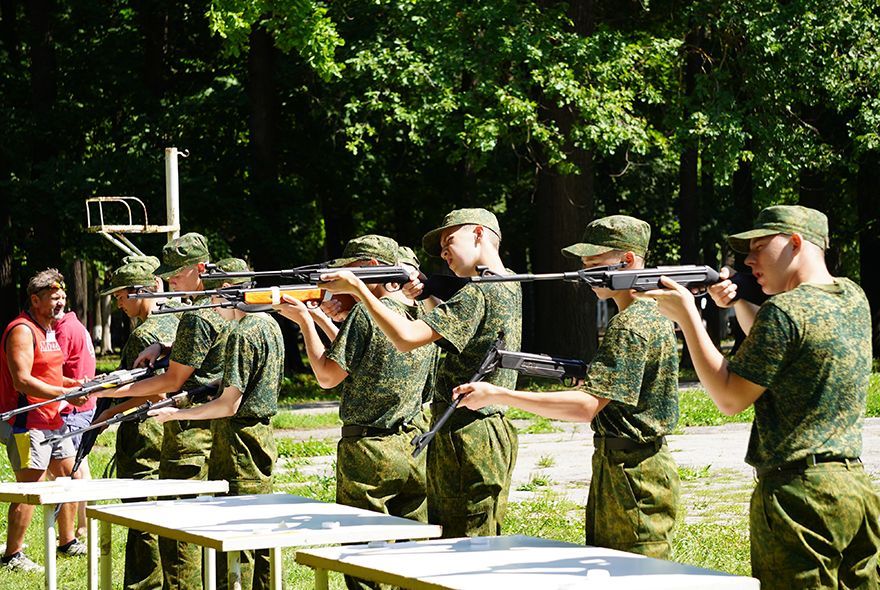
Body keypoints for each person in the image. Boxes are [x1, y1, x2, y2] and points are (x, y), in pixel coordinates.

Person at [637, 205, 880, 587]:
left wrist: (689, 319)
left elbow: (730, 398)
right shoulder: (852, 297)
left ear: (795, 242)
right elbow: (781, 346)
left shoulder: (783, 311)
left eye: (760, 246)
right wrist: (738, 302)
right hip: (855, 490)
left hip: (799, 498)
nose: (748, 261)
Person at [453, 215, 681, 558]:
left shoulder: (630, 324)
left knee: (635, 573)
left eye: (594, 262)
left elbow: (586, 407)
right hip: (627, 467)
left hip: (632, 474)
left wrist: (499, 394)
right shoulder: (651, 313)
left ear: (628, 260)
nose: (584, 272)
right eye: (583, 263)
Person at [317, 210, 521, 538]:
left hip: (464, 432)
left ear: (479, 234)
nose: (444, 253)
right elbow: (446, 329)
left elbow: (407, 338)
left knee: (460, 545)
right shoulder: (508, 283)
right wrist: (425, 294)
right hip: (489, 427)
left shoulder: (476, 293)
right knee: (480, 535)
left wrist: (359, 290)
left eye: (449, 240)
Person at [275, 236, 435, 589]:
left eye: (351, 269)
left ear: (373, 268)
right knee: (413, 557)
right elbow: (361, 357)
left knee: (364, 559)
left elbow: (328, 376)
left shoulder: (365, 313)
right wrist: (320, 319)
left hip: (369, 450)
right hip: (414, 444)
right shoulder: (420, 315)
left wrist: (304, 323)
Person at [94, 233, 234, 590]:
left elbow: (171, 381)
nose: (170, 281)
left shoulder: (199, 313)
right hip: (208, 428)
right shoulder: (214, 307)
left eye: (177, 273)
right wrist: (166, 346)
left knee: (177, 532)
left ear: (201, 268)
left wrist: (112, 394)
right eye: (167, 274)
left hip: (189, 432)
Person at [151, 257, 283, 590]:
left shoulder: (242, 333)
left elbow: (228, 404)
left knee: (235, 542)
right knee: (261, 535)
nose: (211, 305)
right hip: (262, 436)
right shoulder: (270, 324)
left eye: (212, 297)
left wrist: (177, 414)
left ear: (226, 291)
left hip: (238, 442)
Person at [98, 254, 179, 590]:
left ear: (140, 291)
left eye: (121, 296)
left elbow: (155, 392)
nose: (119, 304)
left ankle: (145, 584)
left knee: (142, 518)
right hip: (173, 432)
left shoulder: (145, 335)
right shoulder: (177, 319)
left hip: (144, 435)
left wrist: (110, 410)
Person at [0, 270, 88, 572]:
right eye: (53, 298)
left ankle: (67, 541)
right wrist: (66, 393)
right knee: (30, 487)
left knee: (70, 478)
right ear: (35, 300)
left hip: (52, 420)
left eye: (62, 297)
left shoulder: (48, 330)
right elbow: (22, 380)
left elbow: (47, 374)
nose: (60, 302)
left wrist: (74, 384)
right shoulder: (22, 330)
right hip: (26, 423)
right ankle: (12, 555)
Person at [54, 301, 97, 541]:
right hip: (84, 407)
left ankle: (74, 531)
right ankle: (84, 525)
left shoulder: (64, 329)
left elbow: (51, 370)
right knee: (81, 466)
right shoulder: (75, 324)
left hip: (73, 409)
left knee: (74, 469)